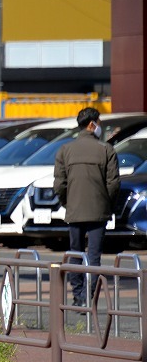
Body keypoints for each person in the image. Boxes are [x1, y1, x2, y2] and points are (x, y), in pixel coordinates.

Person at [54, 107, 120, 305]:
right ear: (92, 124)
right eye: (99, 123)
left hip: (74, 211)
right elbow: (114, 183)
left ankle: (77, 296)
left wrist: (67, 202)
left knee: (75, 254)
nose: (100, 127)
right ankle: (90, 298)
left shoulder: (65, 150)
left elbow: (59, 184)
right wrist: (107, 203)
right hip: (99, 212)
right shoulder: (106, 149)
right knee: (94, 256)